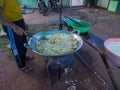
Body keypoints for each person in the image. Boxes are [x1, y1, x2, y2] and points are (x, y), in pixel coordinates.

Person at [0, 0, 33, 72]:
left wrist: (23, 22)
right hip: (11, 25)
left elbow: (15, 10)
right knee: (17, 46)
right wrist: (13, 26)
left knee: (23, 42)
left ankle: (23, 57)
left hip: (19, 22)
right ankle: (22, 65)